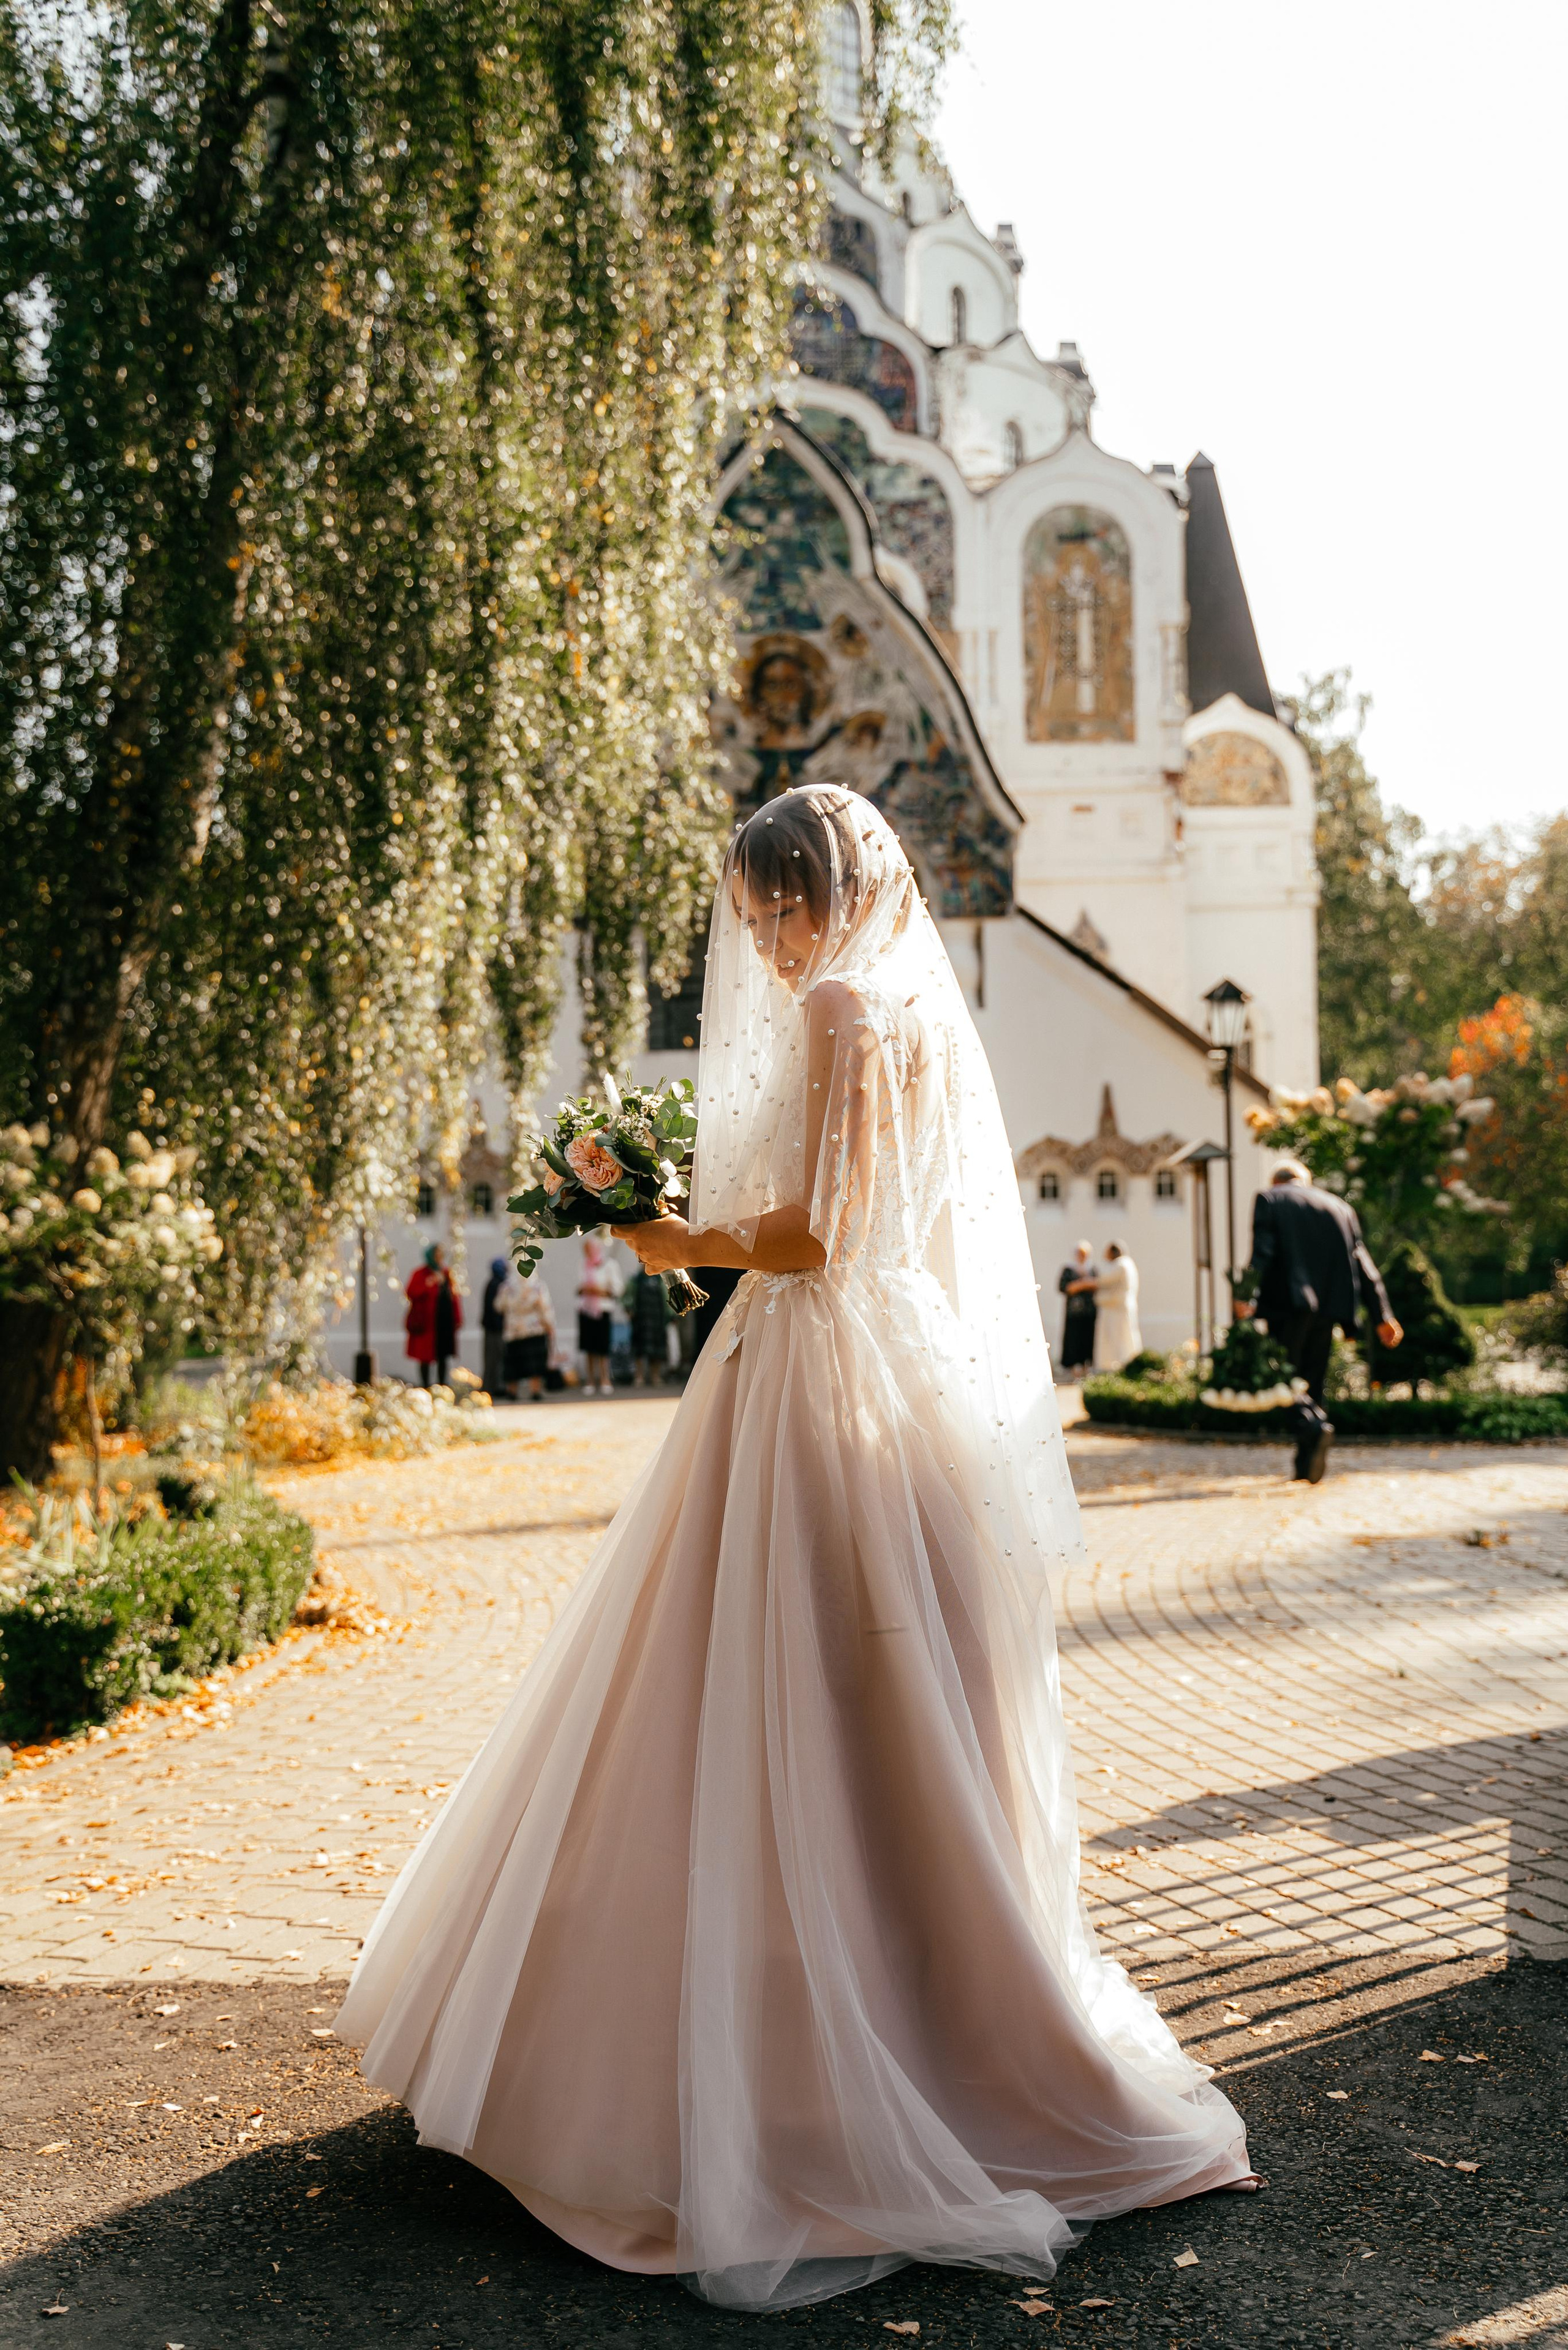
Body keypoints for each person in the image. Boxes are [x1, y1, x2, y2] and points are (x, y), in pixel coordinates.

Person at [336, 786, 1256, 2312]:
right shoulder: (900, 1001)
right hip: (897, 1374)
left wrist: (666, 1238)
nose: (757, 945)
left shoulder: (836, 1002)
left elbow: (815, 1234)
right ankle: (926, 1994)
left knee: (755, 1677)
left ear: (804, 896)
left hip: (810, 1356)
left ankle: (777, 2046)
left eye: (764, 912)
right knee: (875, 1691)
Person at [1240, 1157, 1403, 1483]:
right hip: (1330, 1312)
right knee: (1313, 1385)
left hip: (1288, 1307)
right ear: (1306, 1181)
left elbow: (1263, 1252)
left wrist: (1244, 1295)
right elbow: (1363, 1263)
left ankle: (1313, 1427)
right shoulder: (1340, 1207)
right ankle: (1306, 1467)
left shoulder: (1270, 1199)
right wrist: (1382, 1315)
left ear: (1277, 1182)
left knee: (1281, 1382)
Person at [404, 1243, 461, 1390]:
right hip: (428, 1323)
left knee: (443, 1356)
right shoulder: (421, 1274)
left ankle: (442, 1386)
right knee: (426, 1357)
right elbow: (411, 1292)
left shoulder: (446, 1273)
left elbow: (454, 1297)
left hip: (444, 1322)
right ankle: (425, 1386)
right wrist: (428, 1285)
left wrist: (457, 1317)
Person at [499, 1264, 557, 1402]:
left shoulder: (508, 1286)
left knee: (513, 1361)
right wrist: (549, 1325)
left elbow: (499, 1305)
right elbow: (545, 1307)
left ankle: (512, 1391)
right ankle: (535, 1391)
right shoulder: (537, 1286)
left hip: (513, 1330)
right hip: (534, 1328)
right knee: (534, 1362)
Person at [576, 1233, 622, 1396]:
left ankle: (605, 1379)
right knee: (589, 1347)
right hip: (586, 1310)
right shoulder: (584, 1265)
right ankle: (590, 1380)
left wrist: (599, 1291)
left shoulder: (609, 1265)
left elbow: (617, 1289)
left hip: (603, 1310)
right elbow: (580, 1287)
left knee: (603, 1347)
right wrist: (585, 1289)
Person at [1091, 1241, 1142, 1372]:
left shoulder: (1121, 1265)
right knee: (1124, 1336)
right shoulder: (1128, 1264)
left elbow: (1105, 1279)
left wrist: (1088, 1282)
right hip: (1119, 1307)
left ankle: (1120, 1365)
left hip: (1116, 1308)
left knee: (1117, 1338)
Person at [624, 1263, 670, 1388]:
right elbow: (627, 1296)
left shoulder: (660, 1279)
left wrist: (671, 1314)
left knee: (657, 1350)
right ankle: (639, 1376)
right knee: (639, 1350)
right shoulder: (636, 1280)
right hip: (641, 1318)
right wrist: (629, 1309)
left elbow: (667, 1297)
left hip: (657, 1318)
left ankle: (656, 1376)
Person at [1057, 1239, 1098, 1373]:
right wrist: (1081, 1285)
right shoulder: (1069, 1269)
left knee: (1088, 1339)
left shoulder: (1092, 1269)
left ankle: (1087, 1367)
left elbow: (1097, 1286)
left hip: (1089, 1311)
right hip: (1074, 1312)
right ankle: (1074, 1368)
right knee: (1073, 1339)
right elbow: (1063, 1287)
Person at [480, 1257, 510, 1399]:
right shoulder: (498, 1284)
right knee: (495, 1357)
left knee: (493, 1358)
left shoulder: (493, 1283)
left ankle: (492, 1385)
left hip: (492, 1327)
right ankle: (494, 1387)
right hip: (495, 1328)